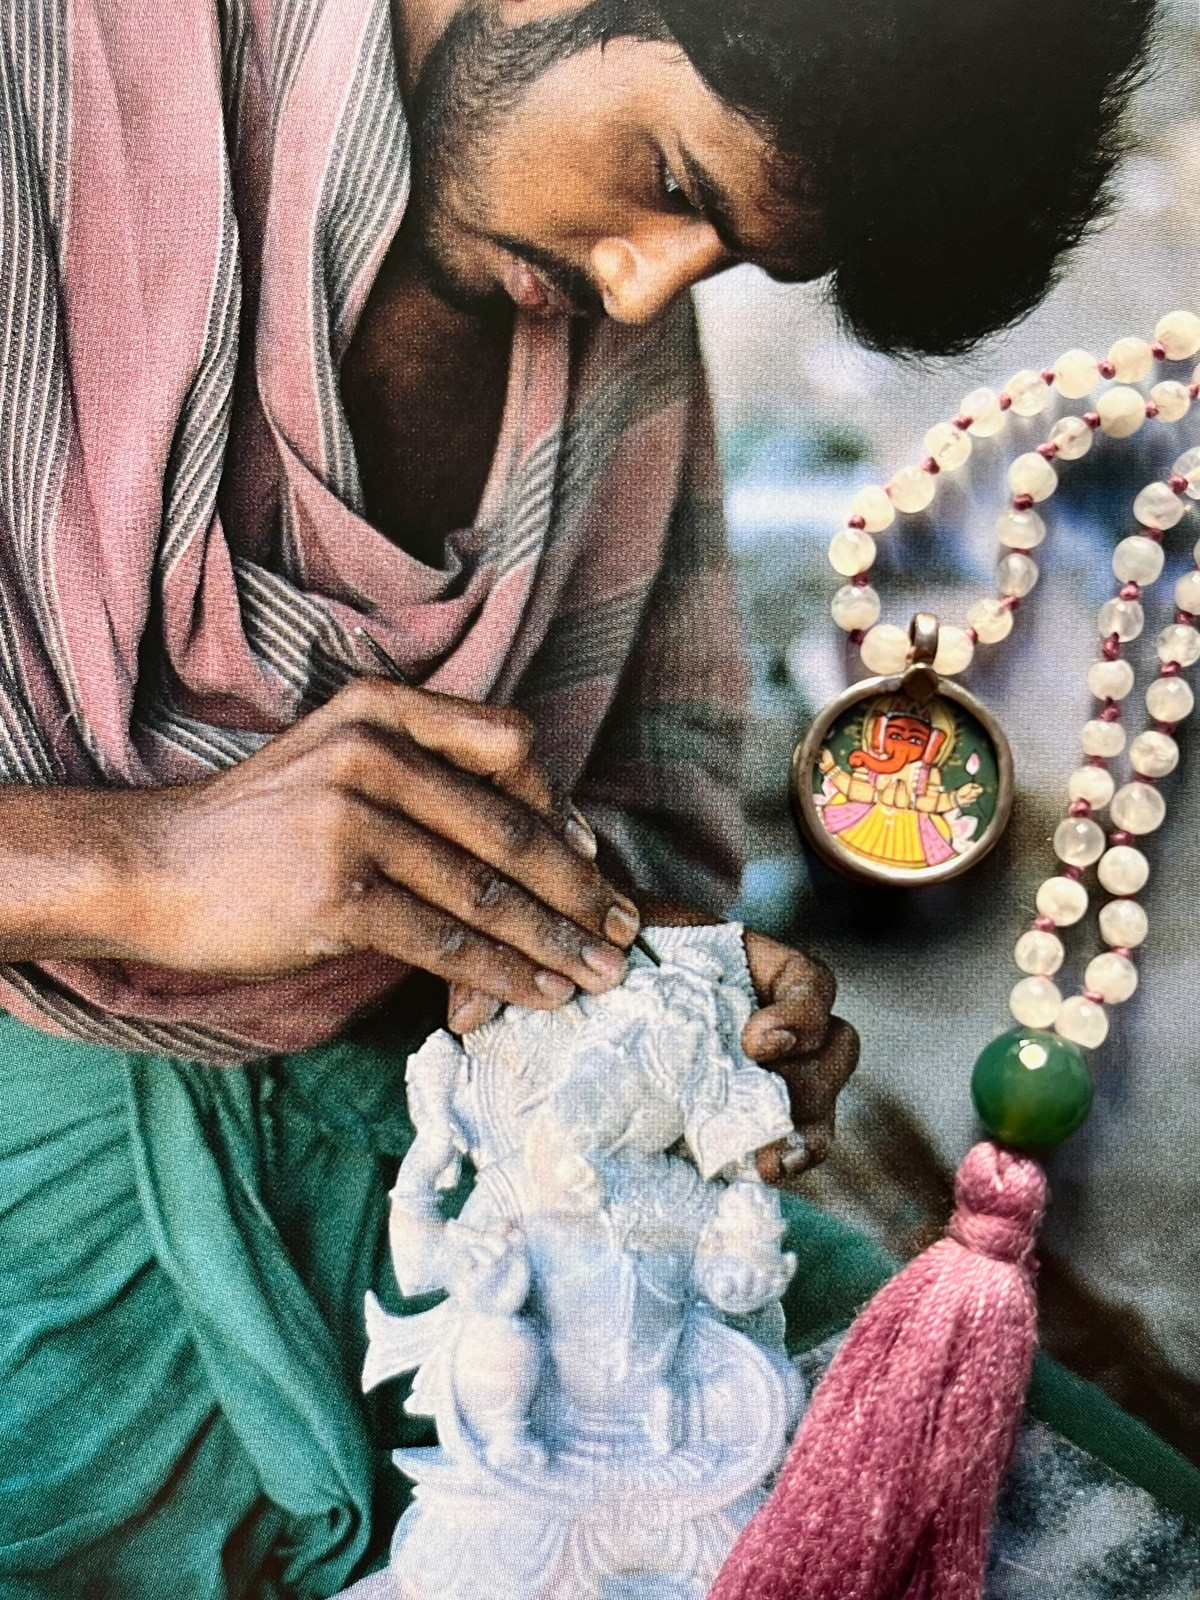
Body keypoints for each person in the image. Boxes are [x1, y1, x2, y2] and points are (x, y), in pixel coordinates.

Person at [0, 0, 1154, 1594]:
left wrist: (659, 997)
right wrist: (128, 862)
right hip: (39, 1214)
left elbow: (625, 837)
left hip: (467, 1205)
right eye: (675, 181)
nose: (641, 288)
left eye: (729, 258)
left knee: (1077, 1522)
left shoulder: (594, 316)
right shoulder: (49, 83)